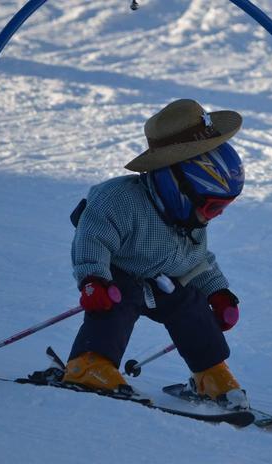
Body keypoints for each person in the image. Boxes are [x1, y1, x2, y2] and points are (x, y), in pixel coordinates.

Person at [62, 99, 248, 409]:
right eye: (213, 206)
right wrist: (92, 279)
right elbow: (91, 237)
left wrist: (217, 292)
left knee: (192, 307)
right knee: (118, 304)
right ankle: (89, 364)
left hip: (161, 281)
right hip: (115, 278)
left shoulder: (190, 217)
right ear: (177, 184)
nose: (214, 216)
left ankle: (210, 373)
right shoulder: (119, 200)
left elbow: (197, 260)